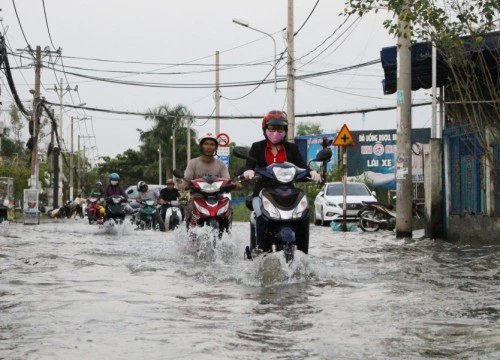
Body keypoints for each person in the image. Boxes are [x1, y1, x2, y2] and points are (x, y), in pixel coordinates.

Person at [242, 110, 321, 253]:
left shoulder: (292, 148)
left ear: (285, 130)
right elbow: (249, 165)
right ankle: (258, 250)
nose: (276, 132)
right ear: (265, 129)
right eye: (272, 128)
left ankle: (304, 252)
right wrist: (248, 171)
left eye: (280, 128)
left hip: (288, 192)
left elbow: (302, 166)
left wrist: (312, 173)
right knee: (259, 213)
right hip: (262, 191)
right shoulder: (257, 147)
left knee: (304, 214)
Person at [178, 132, 239, 225]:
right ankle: (188, 232)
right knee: (188, 209)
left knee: (229, 209)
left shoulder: (221, 165)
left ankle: (227, 232)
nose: (209, 147)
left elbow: (227, 180)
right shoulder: (193, 163)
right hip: (197, 197)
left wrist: (234, 184)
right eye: (206, 144)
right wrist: (183, 185)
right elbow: (186, 180)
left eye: (212, 144)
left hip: (217, 198)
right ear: (201, 146)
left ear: (215, 147)